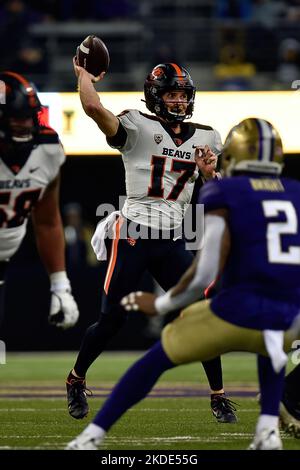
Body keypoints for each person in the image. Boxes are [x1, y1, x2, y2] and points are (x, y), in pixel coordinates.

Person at [66, 117, 300, 450]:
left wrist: (161, 304)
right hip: (286, 317)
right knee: (273, 346)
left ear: (231, 153)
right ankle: (268, 430)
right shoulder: (295, 191)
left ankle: (91, 437)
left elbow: (205, 270)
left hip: (234, 307)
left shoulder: (225, 190)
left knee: (157, 358)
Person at [66, 61, 237, 424]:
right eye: (172, 94)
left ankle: (219, 396)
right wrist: (84, 76)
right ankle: (76, 378)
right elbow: (95, 108)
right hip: (133, 235)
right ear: (156, 97)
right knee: (111, 321)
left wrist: (209, 175)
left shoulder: (206, 137)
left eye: (182, 95)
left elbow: (218, 193)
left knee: (199, 314)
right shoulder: (136, 126)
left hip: (173, 239)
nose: (178, 101)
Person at [0, 71, 79, 330]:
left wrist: (60, 285)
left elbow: (47, 221)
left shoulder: (47, 149)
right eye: (16, 117)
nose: (24, 124)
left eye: (28, 116)